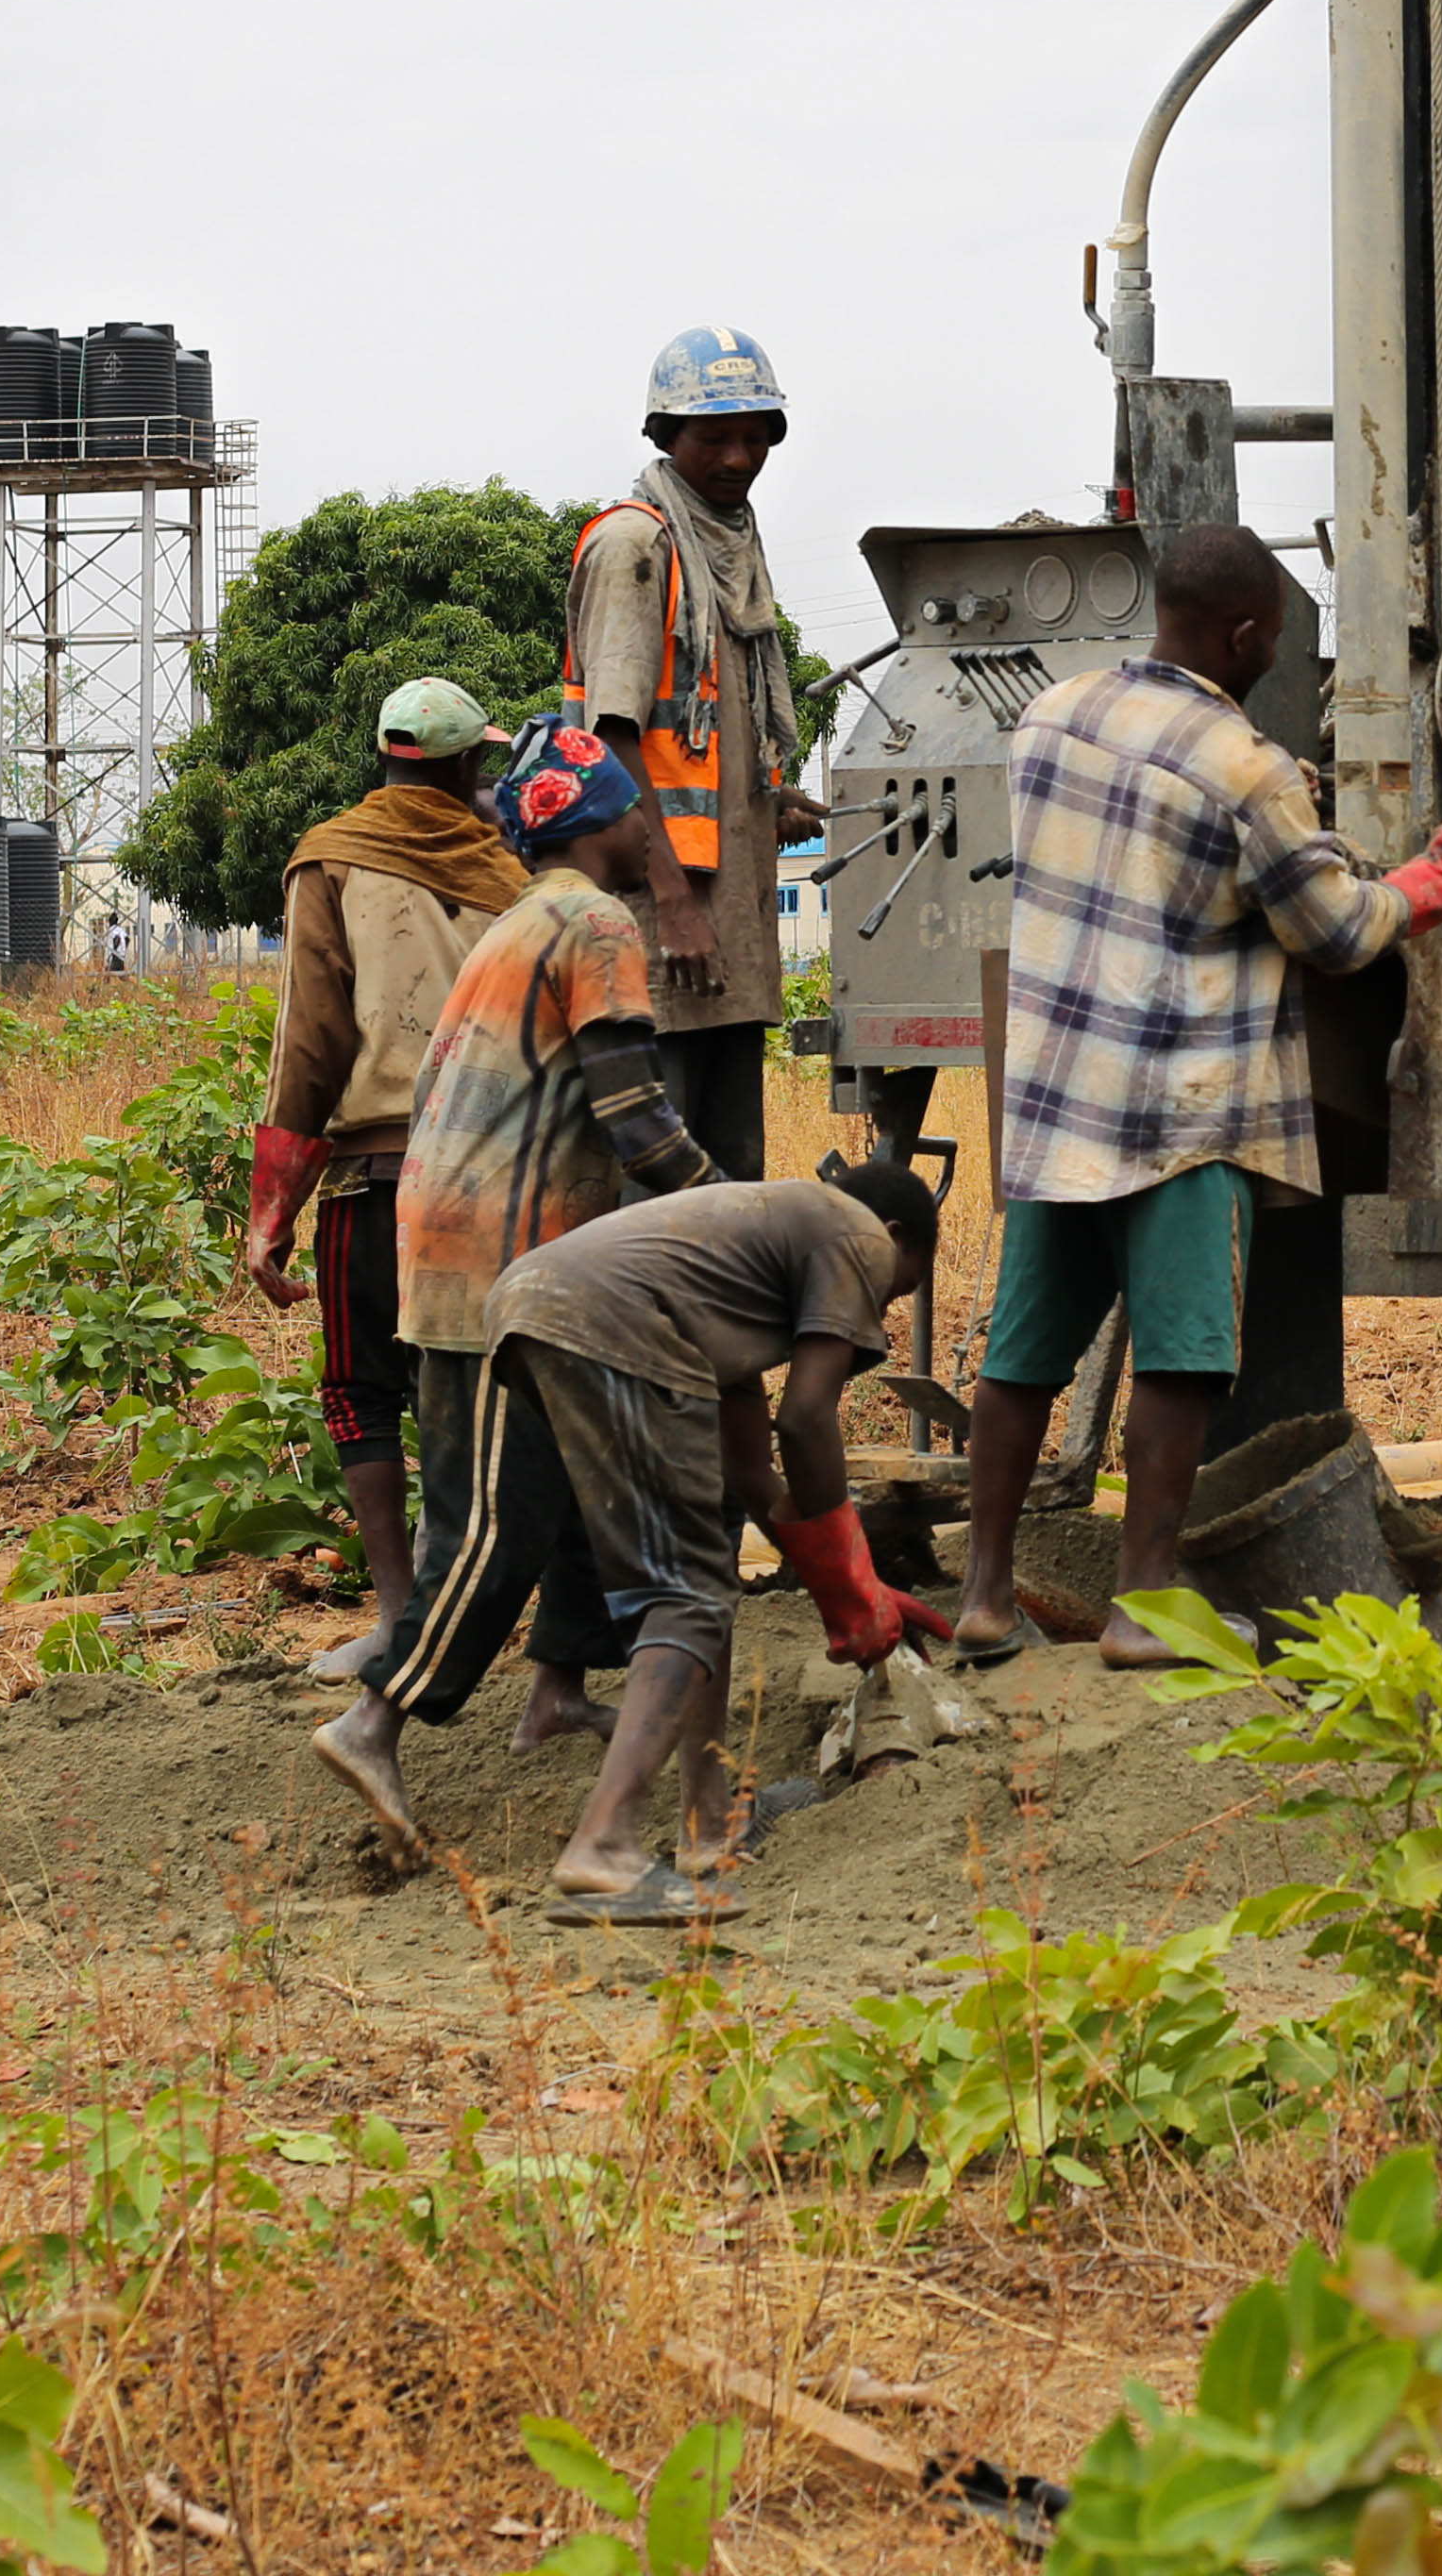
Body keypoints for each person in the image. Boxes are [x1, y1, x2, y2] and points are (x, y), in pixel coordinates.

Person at [954, 524, 1442, 1668]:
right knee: (1182, 1360)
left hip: (1061, 1101)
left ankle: (981, 1594)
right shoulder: (1247, 769)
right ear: (1251, 634)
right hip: (1182, 1114)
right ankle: (1143, 1609)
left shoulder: (1051, 719)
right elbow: (1336, 932)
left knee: (1023, 1357)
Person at [311, 727, 721, 1847]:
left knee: (589, 1478)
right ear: (598, 821)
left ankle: (556, 1694)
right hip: (504, 1267)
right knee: (499, 1521)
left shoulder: (523, 920)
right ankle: (375, 1720)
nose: (652, 832)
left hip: (469, 1250)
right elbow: (633, 1114)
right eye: (639, 812)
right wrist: (732, 1210)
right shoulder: (596, 921)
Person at [480, 1159, 940, 1923]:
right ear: (894, 1238)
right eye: (894, 1293)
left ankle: (708, 1818)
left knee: (700, 1572)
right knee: (687, 1598)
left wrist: (850, 1587)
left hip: (531, 1305)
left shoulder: (737, 1267)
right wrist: (853, 1591)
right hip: (606, 1318)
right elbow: (805, 1419)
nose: (876, 1320)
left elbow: (753, 1474)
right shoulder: (855, 1230)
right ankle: (605, 1848)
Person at [242, 675, 528, 1685]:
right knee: (485, 1391)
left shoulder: (330, 858)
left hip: (377, 1170)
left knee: (361, 1390)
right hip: (502, 1171)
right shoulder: (519, 871)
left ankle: (405, 1616)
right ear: (461, 766)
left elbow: (310, 1040)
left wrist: (272, 1207)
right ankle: (477, 1618)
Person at [563, 326, 829, 1183]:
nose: (739, 455)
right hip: (658, 911)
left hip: (727, 917)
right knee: (660, 1179)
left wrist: (766, 799)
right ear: (664, 437)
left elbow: (707, 730)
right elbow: (610, 737)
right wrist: (673, 899)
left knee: (731, 1176)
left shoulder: (731, 548)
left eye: (755, 436)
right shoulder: (635, 546)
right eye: (714, 435)